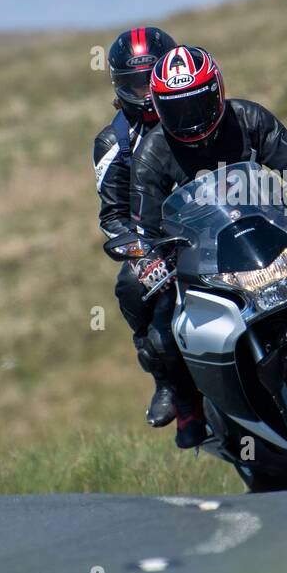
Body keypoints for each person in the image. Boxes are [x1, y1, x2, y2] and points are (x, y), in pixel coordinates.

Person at [129, 45, 287, 448]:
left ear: (217, 90)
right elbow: (143, 224)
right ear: (159, 108)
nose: (188, 118)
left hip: (264, 236)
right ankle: (188, 404)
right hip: (199, 256)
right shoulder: (152, 153)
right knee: (163, 331)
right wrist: (148, 257)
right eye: (176, 109)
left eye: (197, 103)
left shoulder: (249, 118)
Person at [92, 26, 181, 427]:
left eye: (153, 80)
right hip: (160, 243)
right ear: (119, 85)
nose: (146, 93)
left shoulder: (199, 106)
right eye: (136, 84)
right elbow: (112, 216)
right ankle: (167, 382)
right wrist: (144, 255)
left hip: (220, 221)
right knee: (129, 286)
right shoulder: (114, 142)